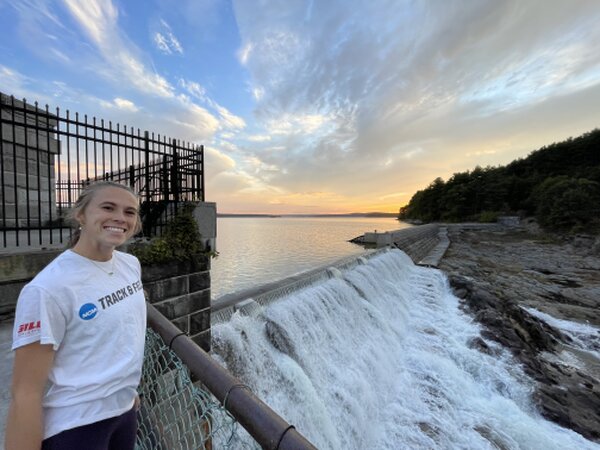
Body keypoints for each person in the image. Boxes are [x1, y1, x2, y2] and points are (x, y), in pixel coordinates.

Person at [5, 181, 146, 450]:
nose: (120, 217)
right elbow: (25, 393)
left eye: (130, 212)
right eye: (108, 207)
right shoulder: (48, 289)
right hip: (77, 427)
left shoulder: (130, 265)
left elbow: (122, 336)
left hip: (125, 412)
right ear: (80, 214)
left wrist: (125, 391)